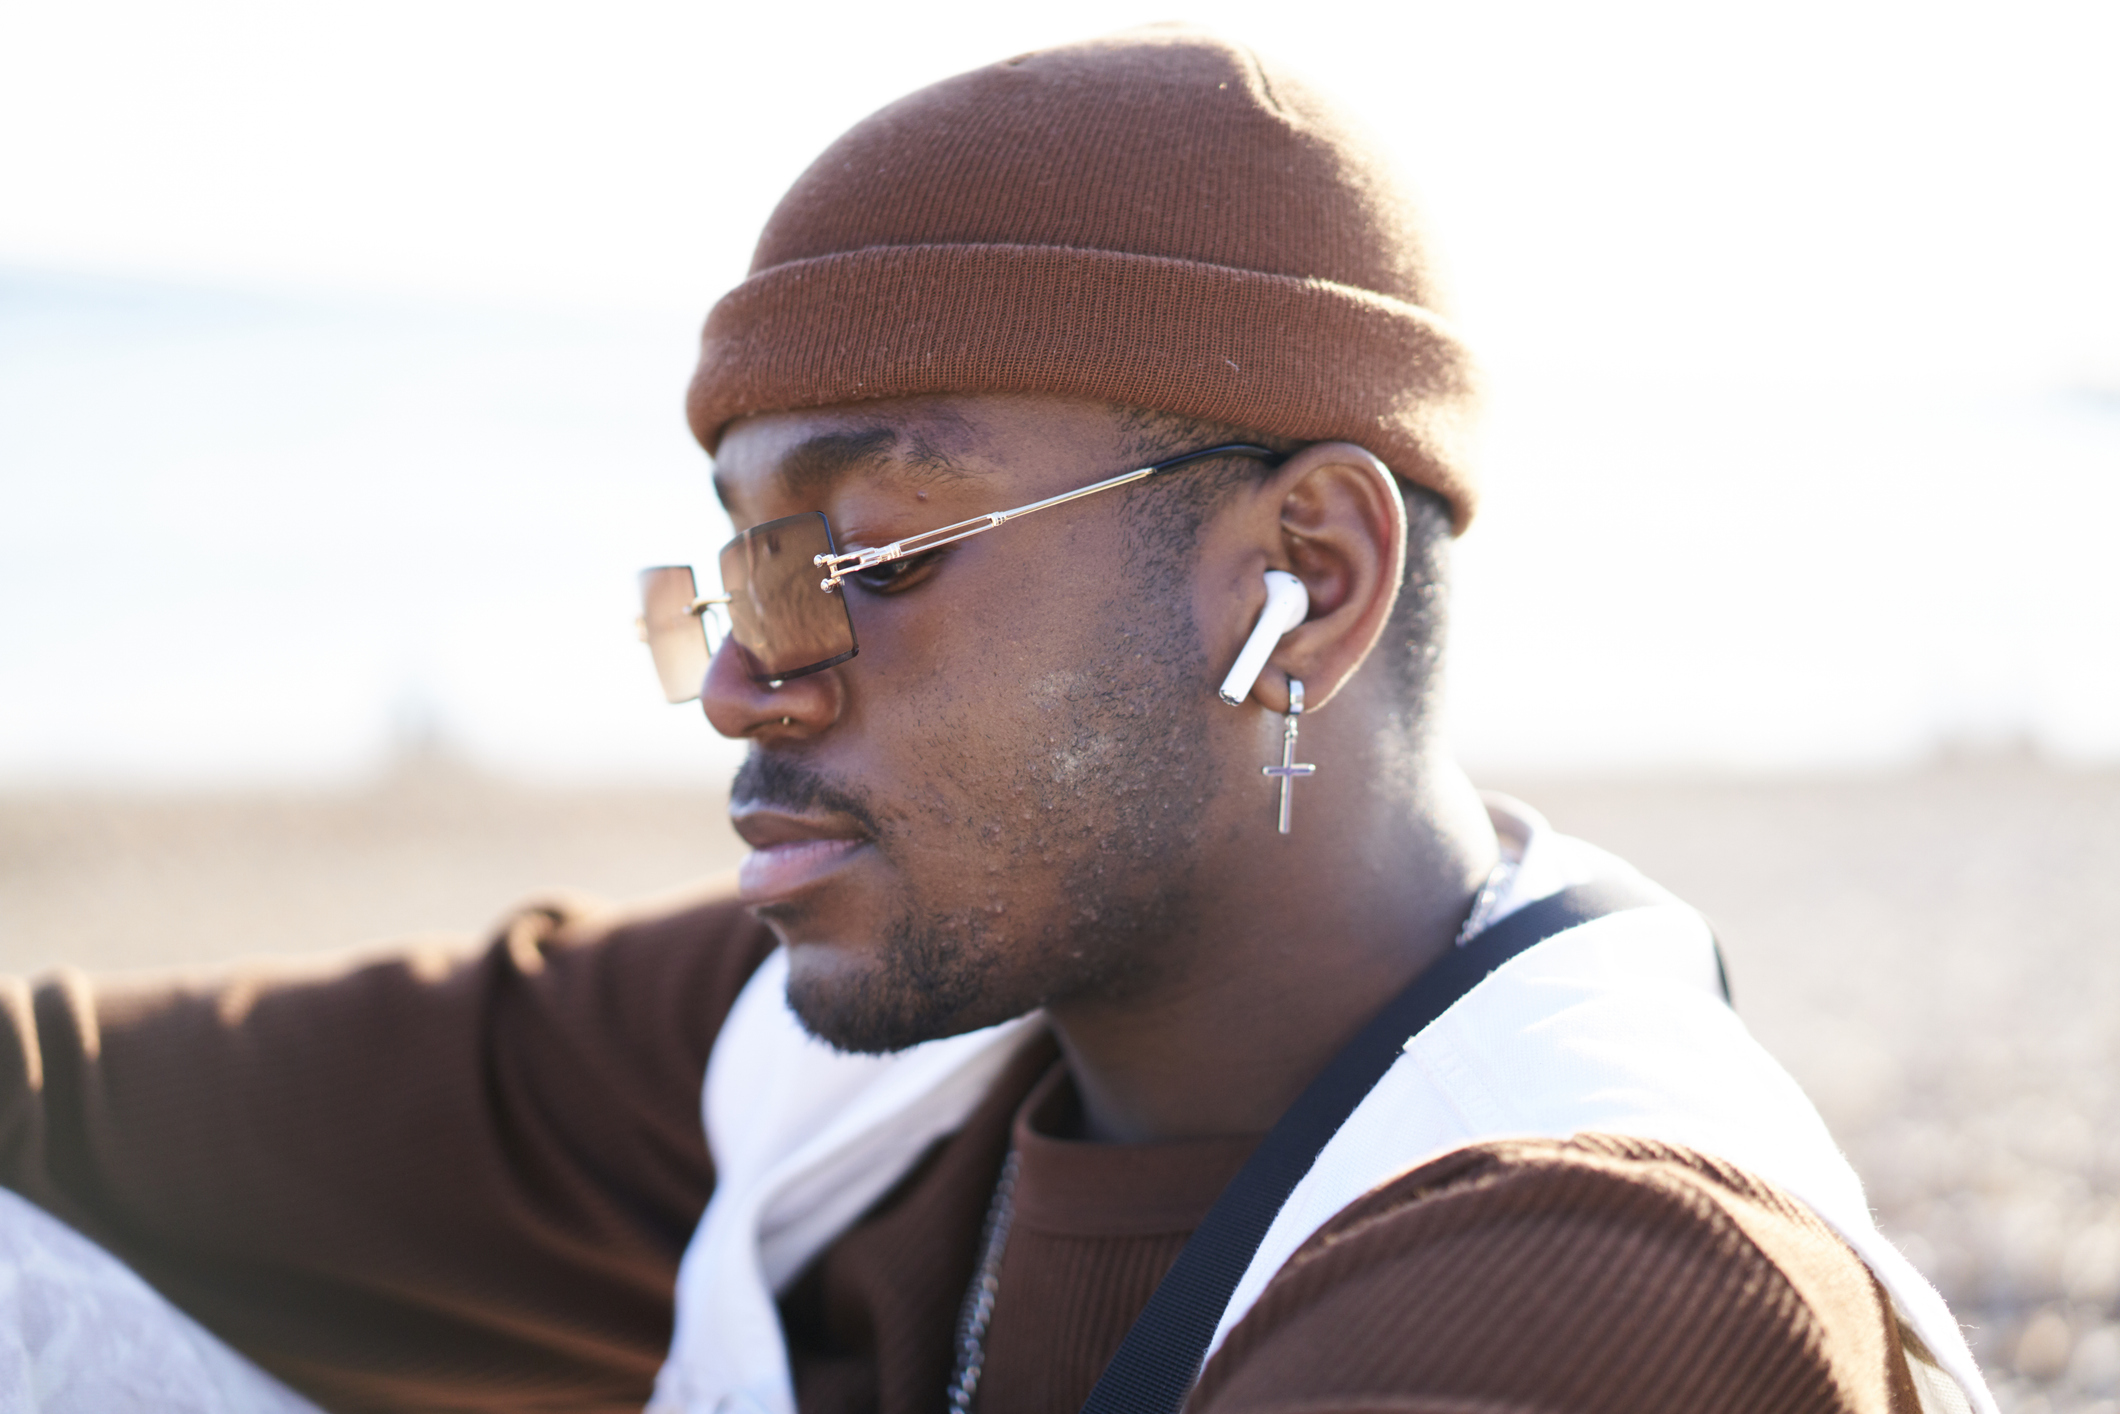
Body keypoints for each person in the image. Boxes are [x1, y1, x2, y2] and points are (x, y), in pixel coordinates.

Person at [0, 25, 1994, 1414]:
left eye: (863, 556)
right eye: (736, 563)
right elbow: (63, 1102)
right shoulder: (837, 1052)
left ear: (1306, 571)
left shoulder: (1602, 1277)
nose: (736, 676)